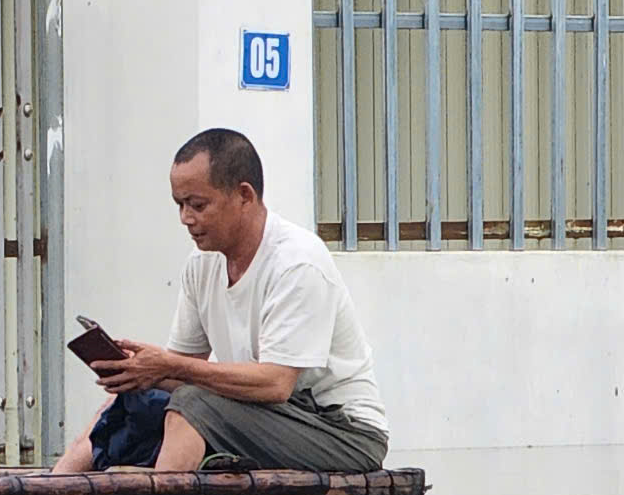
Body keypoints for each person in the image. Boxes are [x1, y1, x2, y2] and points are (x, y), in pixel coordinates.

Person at [52, 128, 389, 474]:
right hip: (264, 416)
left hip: (342, 432)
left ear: (244, 195)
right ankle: (54, 489)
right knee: (130, 402)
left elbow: (276, 383)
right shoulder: (202, 264)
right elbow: (182, 367)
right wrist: (136, 371)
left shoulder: (297, 262)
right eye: (179, 205)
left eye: (198, 205)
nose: (186, 218)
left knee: (192, 402)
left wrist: (168, 367)